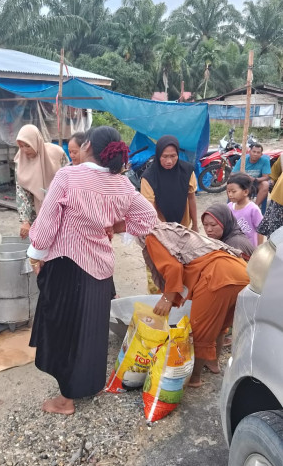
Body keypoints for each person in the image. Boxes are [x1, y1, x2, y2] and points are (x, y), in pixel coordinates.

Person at [27, 126, 157, 415]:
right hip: (100, 267)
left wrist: (35, 255)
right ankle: (93, 383)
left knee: (65, 330)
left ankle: (66, 400)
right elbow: (148, 218)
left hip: (67, 264)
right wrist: (117, 226)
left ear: (87, 146)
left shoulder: (68, 177)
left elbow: (47, 222)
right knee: (93, 328)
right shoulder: (122, 184)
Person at [141, 222, 249, 387]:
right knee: (220, 324)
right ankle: (213, 363)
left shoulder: (152, 236)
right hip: (241, 270)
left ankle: (194, 378)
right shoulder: (173, 231)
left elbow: (173, 267)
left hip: (218, 276)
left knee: (199, 330)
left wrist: (167, 299)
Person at [14, 124, 68, 239]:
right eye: (21, 146)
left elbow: (69, 180)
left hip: (59, 209)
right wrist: (25, 221)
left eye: (27, 146)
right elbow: (22, 194)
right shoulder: (20, 161)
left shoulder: (57, 153)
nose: (24, 150)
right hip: (36, 213)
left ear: (36, 141)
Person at [141, 135, 198, 230]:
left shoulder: (187, 171)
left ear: (178, 154)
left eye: (173, 156)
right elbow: (150, 209)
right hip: (161, 228)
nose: (169, 161)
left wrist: (195, 225)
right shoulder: (149, 177)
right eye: (165, 156)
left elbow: (191, 198)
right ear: (158, 155)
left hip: (184, 227)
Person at [227, 173, 263, 247]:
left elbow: (261, 230)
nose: (230, 195)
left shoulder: (253, 209)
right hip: (233, 247)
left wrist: (259, 248)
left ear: (245, 192)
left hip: (249, 249)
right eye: (228, 191)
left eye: (234, 191)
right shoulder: (229, 207)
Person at [232, 143, 271, 208]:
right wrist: (243, 177)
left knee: (265, 184)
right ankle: (235, 207)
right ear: (249, 152)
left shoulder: (265, 161)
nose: (255, 154)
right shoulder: (243, 159)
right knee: (232, 184)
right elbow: (232, 174)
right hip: (243, 183)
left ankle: (255, 207)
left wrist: (254, 179)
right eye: (254, 151)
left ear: (261, 154)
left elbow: (266, 177)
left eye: (258, 152)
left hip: (256, 183)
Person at [258, 154, 283, 237]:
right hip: (279, 200)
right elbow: (274, 174)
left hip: (279, 199)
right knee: (276, 235)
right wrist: (271, 183)